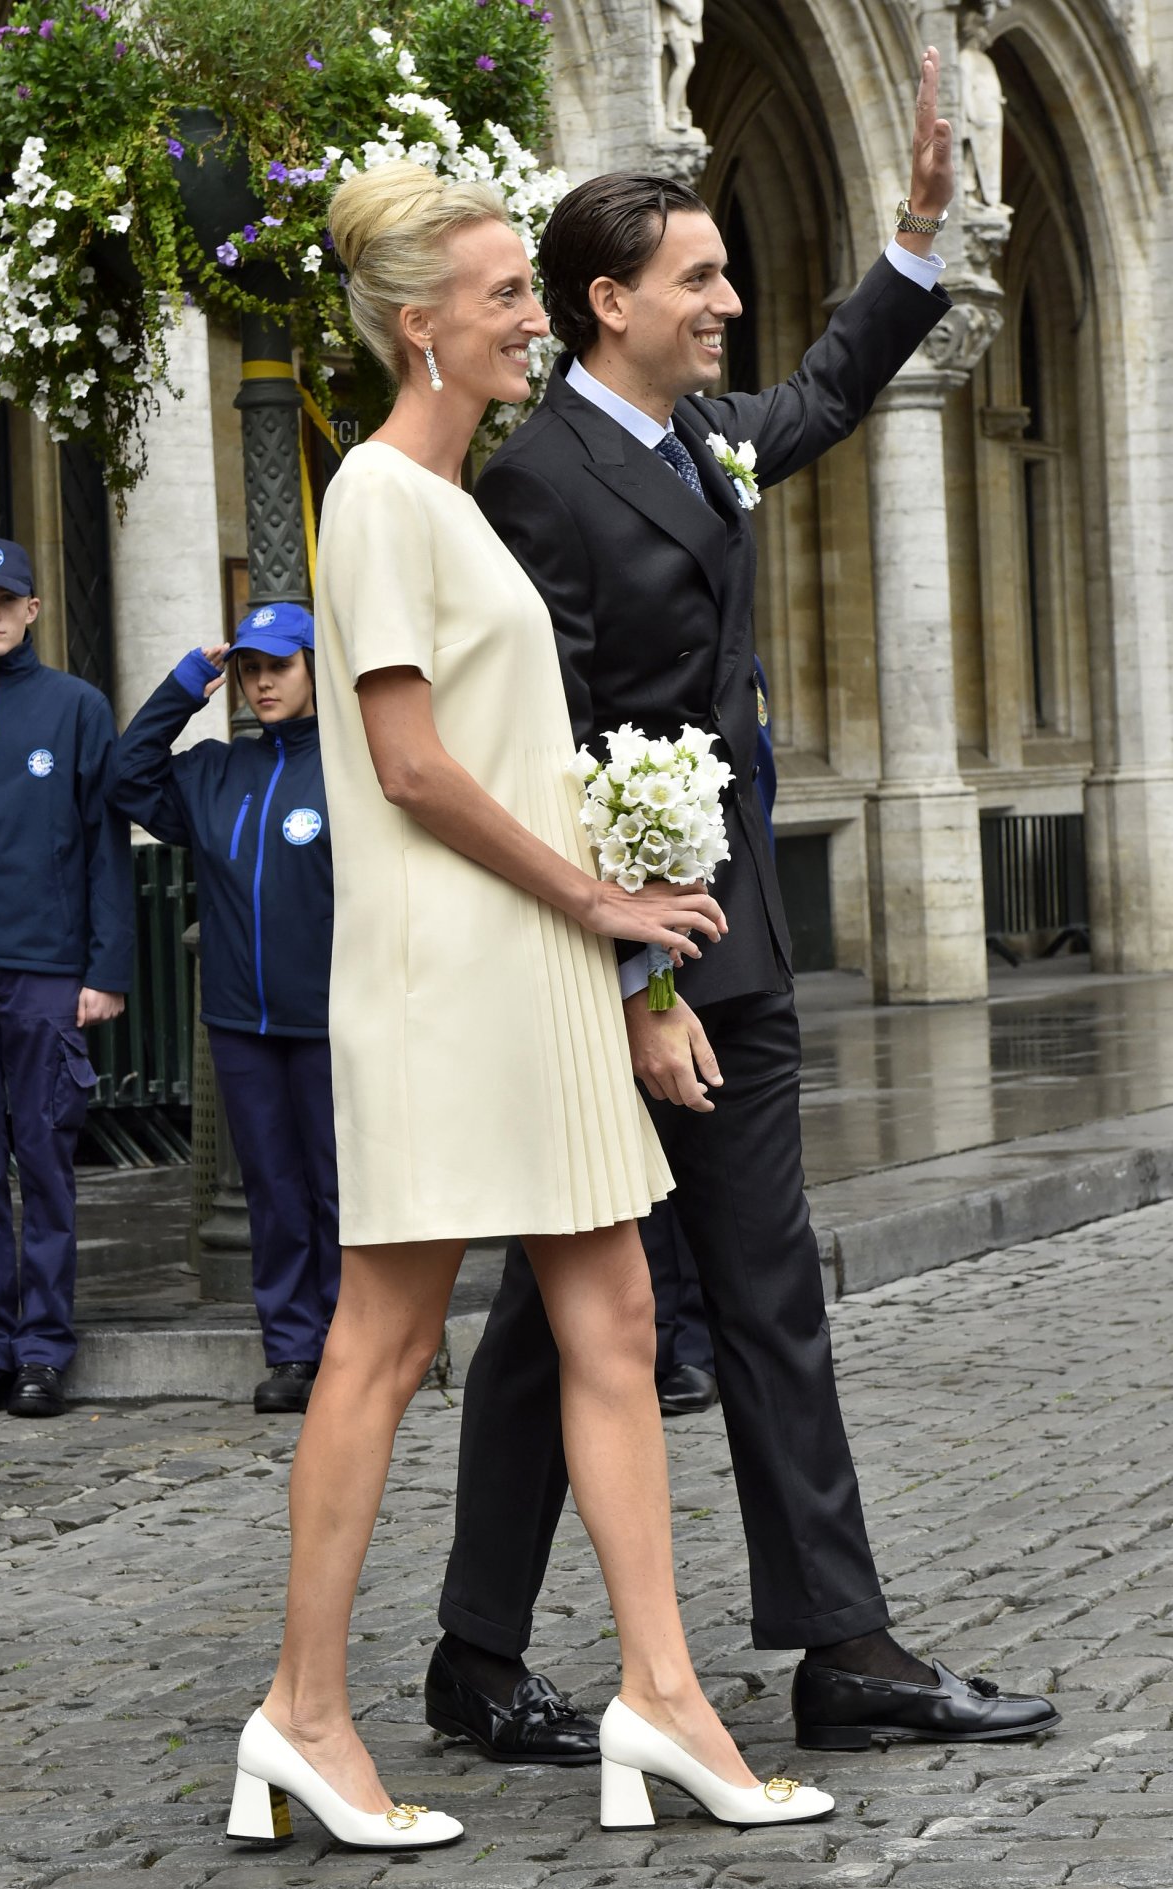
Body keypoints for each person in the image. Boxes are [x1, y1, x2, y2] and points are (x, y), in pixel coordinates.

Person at [426, 48, 1061, 1757]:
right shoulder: (533, 481)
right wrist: (635, 987)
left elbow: (832, 389)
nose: (726, 302)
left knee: (755, 1286)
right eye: (698, 279)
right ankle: (480, 1651)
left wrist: (918, 239)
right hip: (618, 966)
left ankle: (836, 1645)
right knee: (565, 1312)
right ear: (605, 300)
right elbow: (544, 749)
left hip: (739, 942)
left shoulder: (707, 435)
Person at [223, 162, 835, 1856]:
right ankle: (304, 1711)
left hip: (544, 964)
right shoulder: (378, 504)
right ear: (421, 323)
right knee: (387, 1338)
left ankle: (668, 1693)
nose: (527, 315)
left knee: (620, 1317)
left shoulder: (461, 491)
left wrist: (626, 966)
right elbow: (412, 764)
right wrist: (600, 900)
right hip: (448, 970)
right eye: (502, 294)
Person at [107, 605, 340, 1414]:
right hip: (242, 1022)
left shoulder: (350, 767)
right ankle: (293, 1350)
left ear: (315, 667)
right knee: (275, 1190)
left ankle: (354, 1348)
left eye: (279, 665)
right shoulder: (212, 771)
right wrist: (182, 686)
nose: (263, 681)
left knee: (340, 1188)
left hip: (331, 1022)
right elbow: (125, 775)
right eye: (250, 668)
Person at [0, 536, 131, 1420]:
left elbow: (106, 844)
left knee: (44, 1161)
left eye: (5, 600)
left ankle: (42, 1349)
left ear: (32, 609)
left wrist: (105, 966)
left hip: (43, 970)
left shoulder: (75, 707)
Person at [650, 652, 776, 1421]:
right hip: (636, 928)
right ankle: (663, 1342)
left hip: (717, 925)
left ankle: (693, 1343)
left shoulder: (735, 669)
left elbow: (752, 787)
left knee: (706, 1147)